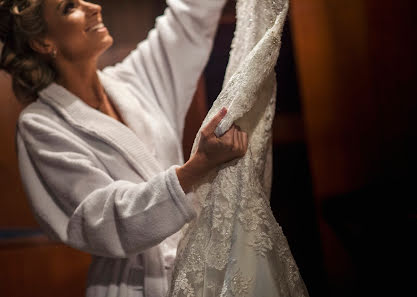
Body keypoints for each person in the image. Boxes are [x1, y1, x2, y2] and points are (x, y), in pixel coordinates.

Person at [0, 0, 248, 296]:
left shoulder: (133, 82)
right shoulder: (40, 125)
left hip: (197, 271)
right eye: (69, 7)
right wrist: (198, 167)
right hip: (132, 287)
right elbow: (101, 218)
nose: (93, 7)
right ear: (42, 41)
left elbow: (190, 20)